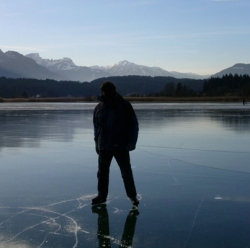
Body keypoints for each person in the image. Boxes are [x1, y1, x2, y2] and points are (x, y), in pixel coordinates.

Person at [92, 81, 139, 206]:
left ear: (114, 91)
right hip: (104, 145)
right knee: (102, 173)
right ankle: (102, 196)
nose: (107, 94)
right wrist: (97, 142)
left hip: (121, 145)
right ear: (103, 92)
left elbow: (134, 124)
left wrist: (132, 141)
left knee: (126, 172)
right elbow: (96, 127)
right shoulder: (98, 107)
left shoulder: (124, 105)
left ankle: (132, 196)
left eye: (109, 92)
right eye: (105, 92)